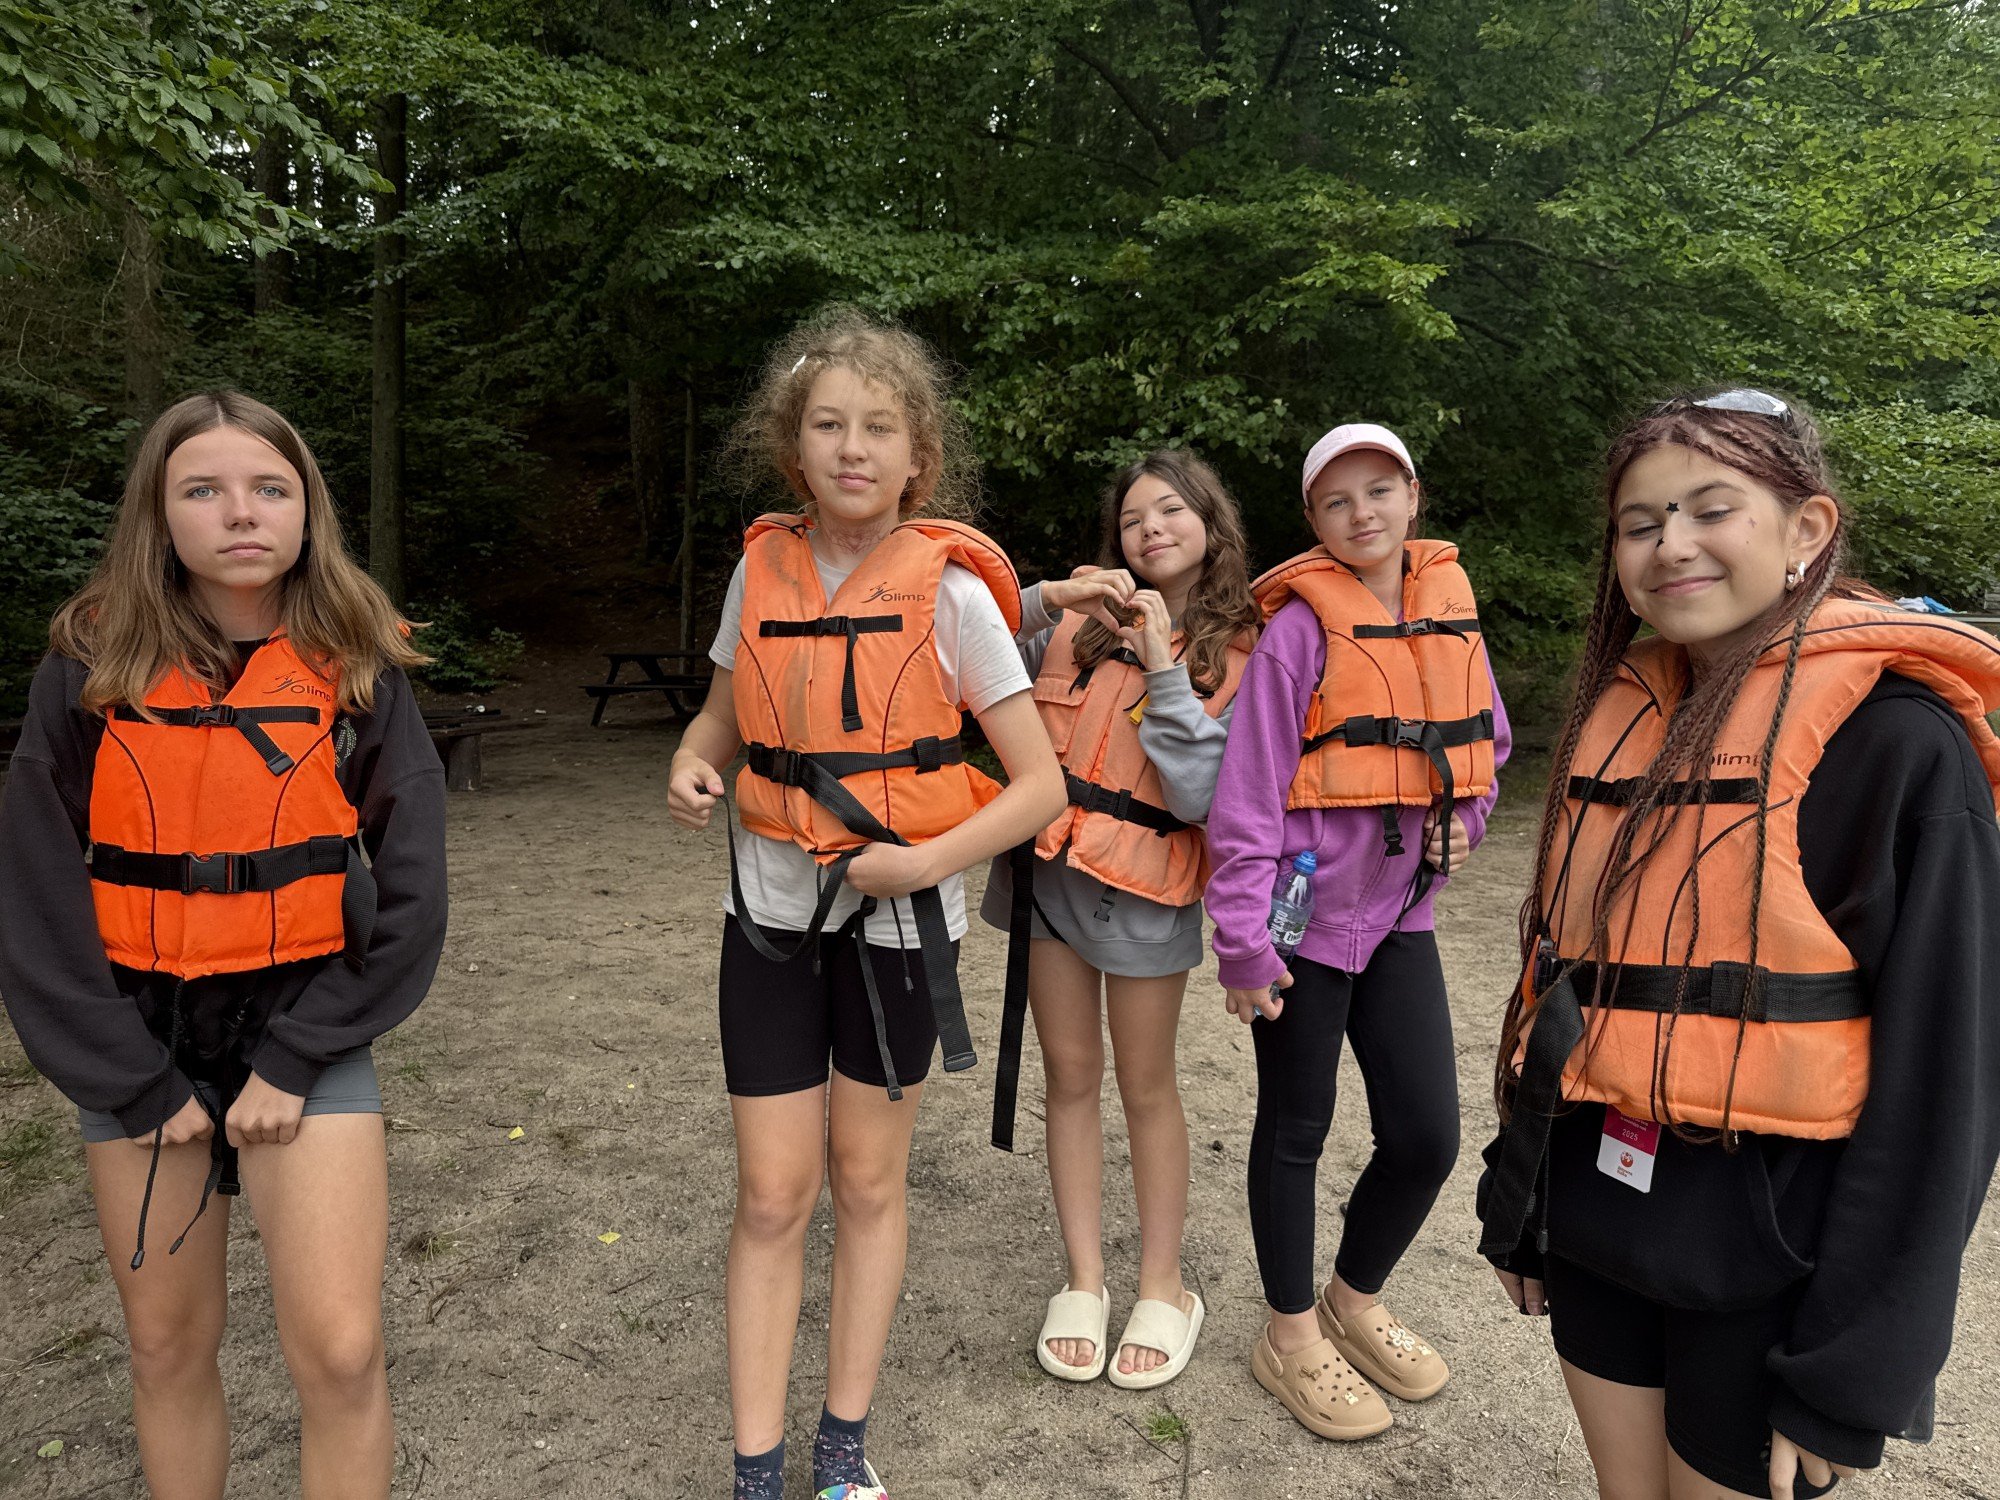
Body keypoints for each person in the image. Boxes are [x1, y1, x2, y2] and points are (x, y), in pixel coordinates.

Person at [1478, 389, 2000, 1500]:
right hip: (1599, 1220)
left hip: (1776, 1263)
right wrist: (1518, 1206)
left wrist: (1852, 1372)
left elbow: (1942, 1088)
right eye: (1640, 523)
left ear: (1806, 528)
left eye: (1711, 510)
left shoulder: (1898, 747)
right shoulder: (1622, 714)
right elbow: (1559, 985)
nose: (1670, 545)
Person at [0, 391, 448, 1500]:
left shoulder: (357, 667)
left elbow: (413, 896)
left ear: (307, 509)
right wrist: (129, 1078)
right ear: (158, 515)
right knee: (164, 1348)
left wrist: (297, 1056)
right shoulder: (86, 667)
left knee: (341, 1354)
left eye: (268, 489)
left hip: (305, 1031)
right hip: (137, 1043)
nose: (240, 513)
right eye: (202, 489)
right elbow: (37, 896)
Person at [666, 307, 1065, 1500]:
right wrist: (689, 761)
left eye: (877, 428)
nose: (852, 447)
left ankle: (841, 1447)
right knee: (771, 1194)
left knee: (867, 1183)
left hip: (897, 924)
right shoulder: (758, 571)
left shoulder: (954, 597)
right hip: (769, 918)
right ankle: (756, 1468)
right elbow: (719, 720)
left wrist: (926, 861)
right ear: (794, 447)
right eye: (829, 425)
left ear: (915, 458)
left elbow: (1038, 788)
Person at [1206, 421, 1511, 1440]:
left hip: (1399, 916)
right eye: (1336, 500)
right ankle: (1289, 1334)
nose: (1361, 512)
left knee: (1426, 1136)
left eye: (1379, 490)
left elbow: (1489, 745)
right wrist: (1242, 944)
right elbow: (1247, 796)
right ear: (1313, 520)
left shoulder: (1450, 613)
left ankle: (1351, 1299)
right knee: (1295, 1127)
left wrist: (1466, 822)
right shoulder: (1298, 632)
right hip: (1299, 924)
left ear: (1412, 497)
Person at [984, 449, 1259, 1388]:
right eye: (1134, 518)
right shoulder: (1076, 627)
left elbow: (1202, 795)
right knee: (1068, 1076)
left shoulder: (1247, 649)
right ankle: (1085, 1278)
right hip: (1048, 881)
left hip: (1145, 888)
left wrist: (1163, 665)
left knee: (1146, 1086)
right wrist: (1046, 598)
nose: (1151, 530)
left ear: (1210, 525)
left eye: (1171, 511)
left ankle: (1164, 1285)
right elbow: (955, 648)